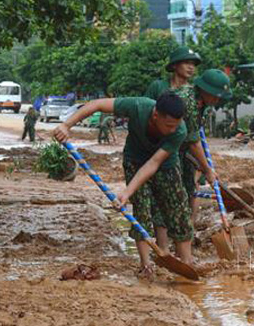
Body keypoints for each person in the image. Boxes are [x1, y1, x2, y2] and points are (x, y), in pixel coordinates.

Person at [53, 92, 216, 278]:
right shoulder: (138, 107)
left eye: (176, 125)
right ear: (156, 115)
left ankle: (186, 262)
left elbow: (154, 163)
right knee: (142, 210)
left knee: (178, 211)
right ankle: (146, 265)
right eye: (169, 125)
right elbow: (96, 104)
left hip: (166, 165)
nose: (173, 129)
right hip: (135, 160)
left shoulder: (179, 131)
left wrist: (127, 191)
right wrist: (67, 125)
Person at [168, 69, 232, 226]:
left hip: (181, 150)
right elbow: (194, 142)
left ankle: (188, 227)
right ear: (205, 90)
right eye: (216, 95)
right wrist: (208, 170)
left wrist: (201, 166)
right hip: (166, 150)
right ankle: (177, 230)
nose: (218, 99)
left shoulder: (200, 101)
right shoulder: (188, 102)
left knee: (191, 187)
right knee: (176, 194)